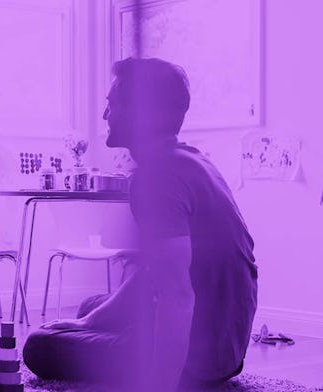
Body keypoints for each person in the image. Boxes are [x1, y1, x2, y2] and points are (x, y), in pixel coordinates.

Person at [22, 57, 258, 391]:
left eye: (111, 104)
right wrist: (89, 323)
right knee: (90, 307)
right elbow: (154, 273)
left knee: (39, 346)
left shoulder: (156, 178)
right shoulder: (192, 159)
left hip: (200, 358)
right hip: (228, 341)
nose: (104, 115)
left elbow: (178, 297)